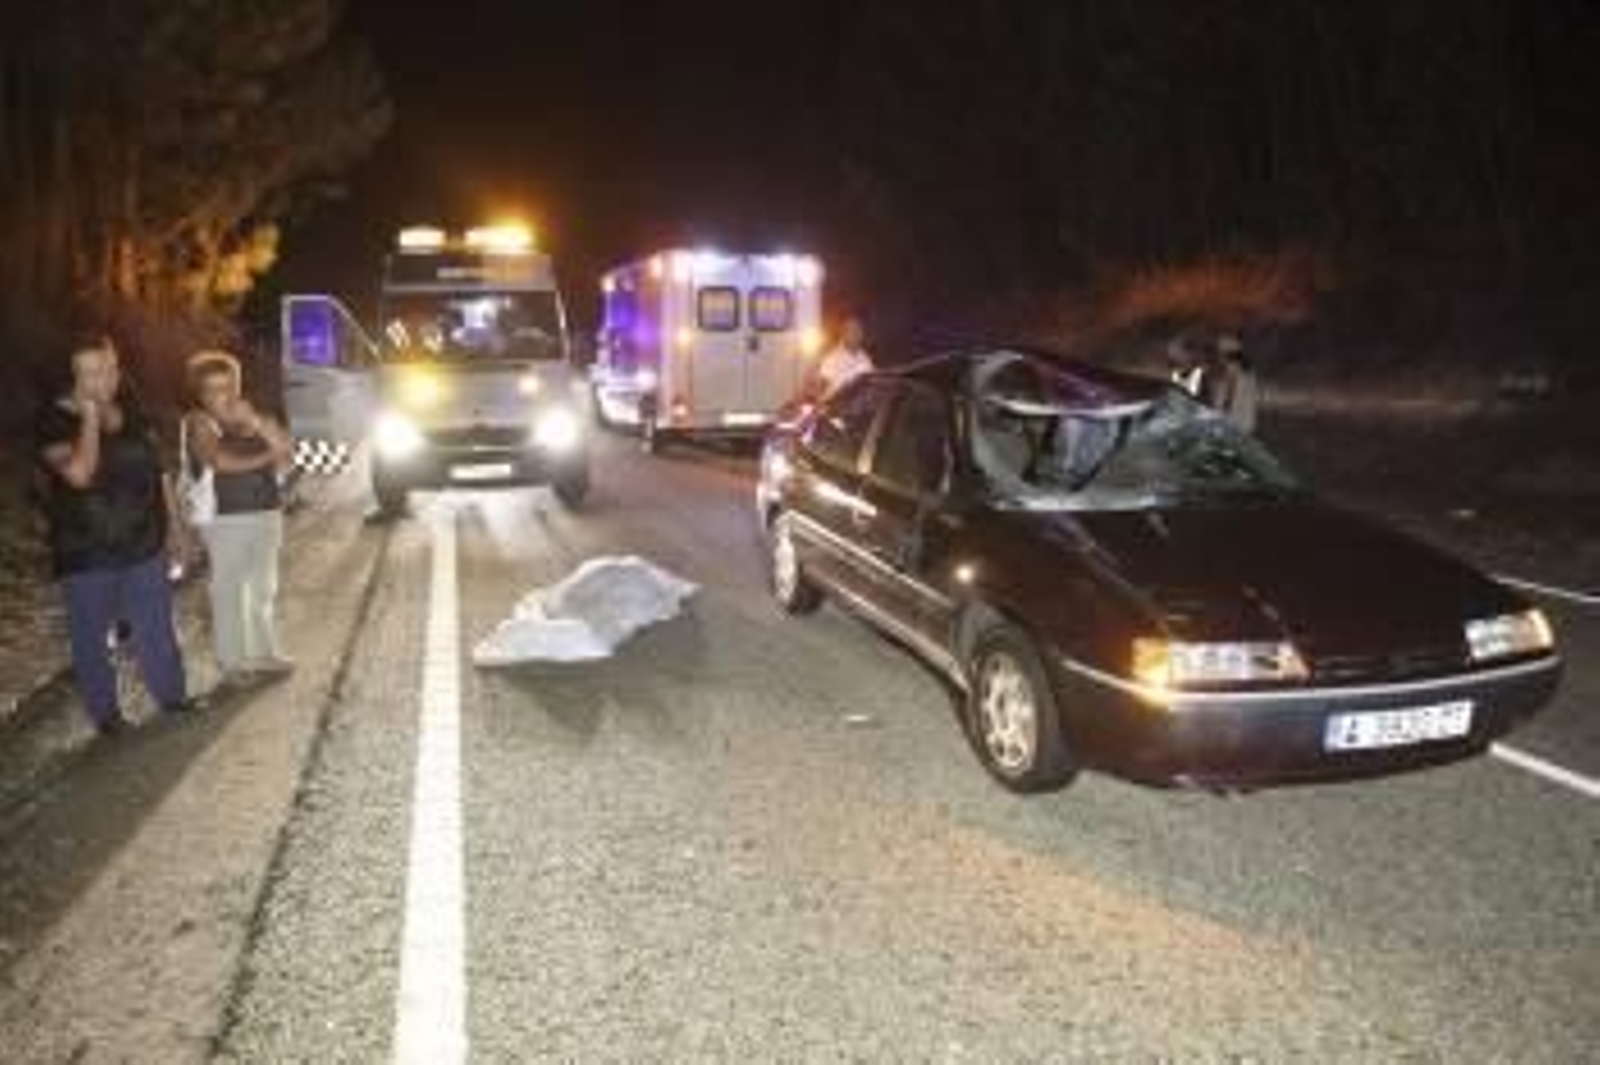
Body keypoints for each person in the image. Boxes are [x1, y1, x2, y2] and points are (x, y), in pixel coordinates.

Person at [34, 332, 194, 735]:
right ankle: (107, 715)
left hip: (144, 541)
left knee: (155, 624)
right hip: (87, 551)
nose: (102, 380)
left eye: (108, 369)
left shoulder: (134, 410)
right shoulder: (52, 419)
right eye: (90, 372)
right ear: (73, 376)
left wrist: (177, 529)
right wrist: (89, 417)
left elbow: (159, 472)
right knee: (91, 638)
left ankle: (173, 698)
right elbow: (79, 474)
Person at [183, 350, 296, 683]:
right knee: (229, 590)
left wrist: (258, 423)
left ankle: (262, 653)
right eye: (214, 388)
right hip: (225, 519)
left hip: (267, 512)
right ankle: (232, 663)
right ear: (201, 393)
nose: (224, 396)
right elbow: (220, 462)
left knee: (263, 588)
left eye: (230, 386)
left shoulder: (256, 417)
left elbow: (287, 458)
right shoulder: (200, 421)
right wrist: (268, 454)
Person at [1211, 333, 1260, 433]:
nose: (1219, 359)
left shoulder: (1240, 376)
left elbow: (1228, 403)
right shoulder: (1240, 376)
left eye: (1220, 355)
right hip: (1235, 426)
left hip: (1236, 427)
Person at [816, 315, 874, 396]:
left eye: (858, 330)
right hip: (838, 406)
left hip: (861, 405)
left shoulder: (866, 359)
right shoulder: (832, 358)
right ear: (843, 334)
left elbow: (872, 385)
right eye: (851, 330)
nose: (855, 334)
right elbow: (821, 387)